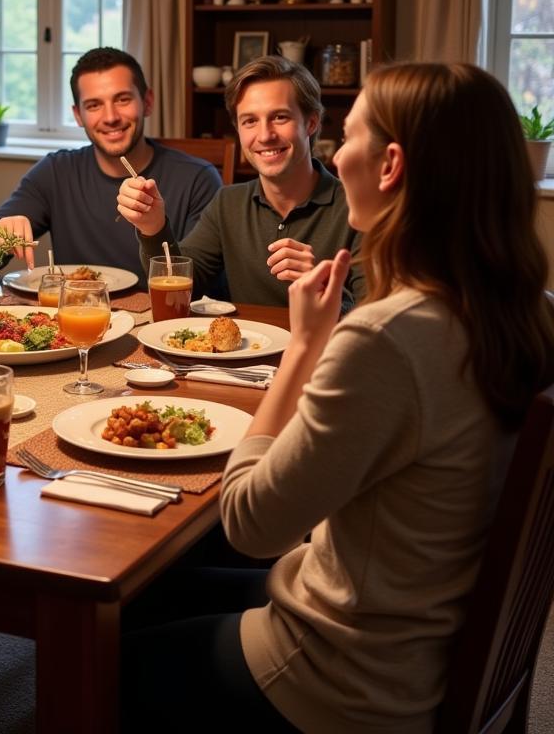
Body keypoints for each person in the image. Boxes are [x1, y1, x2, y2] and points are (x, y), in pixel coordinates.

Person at [120, 62, 554, 732]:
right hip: (424, 624)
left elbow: (251, 524)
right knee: (155, 587)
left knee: (101, 659)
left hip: (345, 673)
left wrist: (302, 347)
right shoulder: (529, 312)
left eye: (346, 138)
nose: (335, 154)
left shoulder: (386, 340)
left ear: (389, 166)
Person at [118, 55, 364, 310]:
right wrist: (153, 227)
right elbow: (183, 289)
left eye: (280, 117)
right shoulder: (228, 203)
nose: (265, 135)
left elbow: (382, 324)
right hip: (246, 349)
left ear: (310, 122)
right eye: (250, 121)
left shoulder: (359, 208)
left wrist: (325, 288)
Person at [0, 47, 221, 280]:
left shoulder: (197, 179)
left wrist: (155, 229)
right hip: (77, 316)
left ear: (147, 102)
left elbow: (199, 281)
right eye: (94, 105)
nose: (110, 117)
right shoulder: (55, 172)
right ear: (78, 115)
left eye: (123, 99)